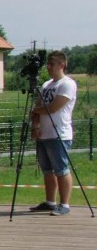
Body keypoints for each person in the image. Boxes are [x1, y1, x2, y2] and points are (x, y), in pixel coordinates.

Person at [28, 50, 77, 216]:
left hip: (59, 134)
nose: (48, 67)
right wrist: (35, 126)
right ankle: (50, 201)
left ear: (61, 65)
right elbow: (37, 107)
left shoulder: (67, 84)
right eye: (48, 64)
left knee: (61, 169)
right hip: (44, 133)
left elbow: (54, 107)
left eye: (52, 64)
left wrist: (37, 110)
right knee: (47, 170)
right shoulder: (46, 85)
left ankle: (65, 204)